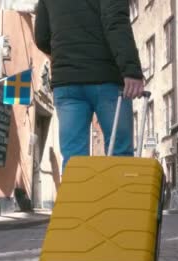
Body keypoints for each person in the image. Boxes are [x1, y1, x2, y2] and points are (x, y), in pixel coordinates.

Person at [34, 0, 145, 169]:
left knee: (73, 160)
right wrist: (131, 70)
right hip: (107, 78)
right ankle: (117, 196)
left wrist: (65, 54)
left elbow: (41, 37)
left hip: (67, 82)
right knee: (119, 153)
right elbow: (115, 20)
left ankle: (76, 195)